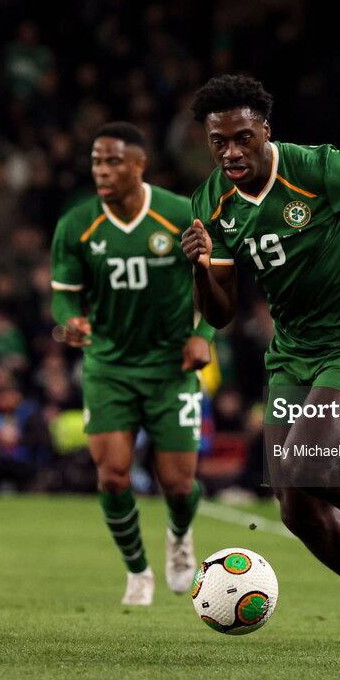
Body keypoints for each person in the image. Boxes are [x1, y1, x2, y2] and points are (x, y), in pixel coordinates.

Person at [182, 75, 340, 647]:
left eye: (243, 138)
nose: (232, 152)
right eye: (219, 142)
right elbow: (220, 314)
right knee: (296, 506)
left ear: (266, 131)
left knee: (308, 457)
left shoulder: (318, 170)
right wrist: (201, 265)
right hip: (293, 353)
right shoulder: (212, 203)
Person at [50, 122, 214, 606]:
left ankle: (180, 537)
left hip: (171, 369)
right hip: (109, 368)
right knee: (112, 475)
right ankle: (137, 571)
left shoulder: (180, 214)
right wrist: (70, 323)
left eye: (113, 161)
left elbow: (214, 280)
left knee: (179, 484)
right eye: (97, 161)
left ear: (139, 165)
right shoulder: (76, 225)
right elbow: (63, 298)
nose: (102, 170)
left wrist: (201, 335)